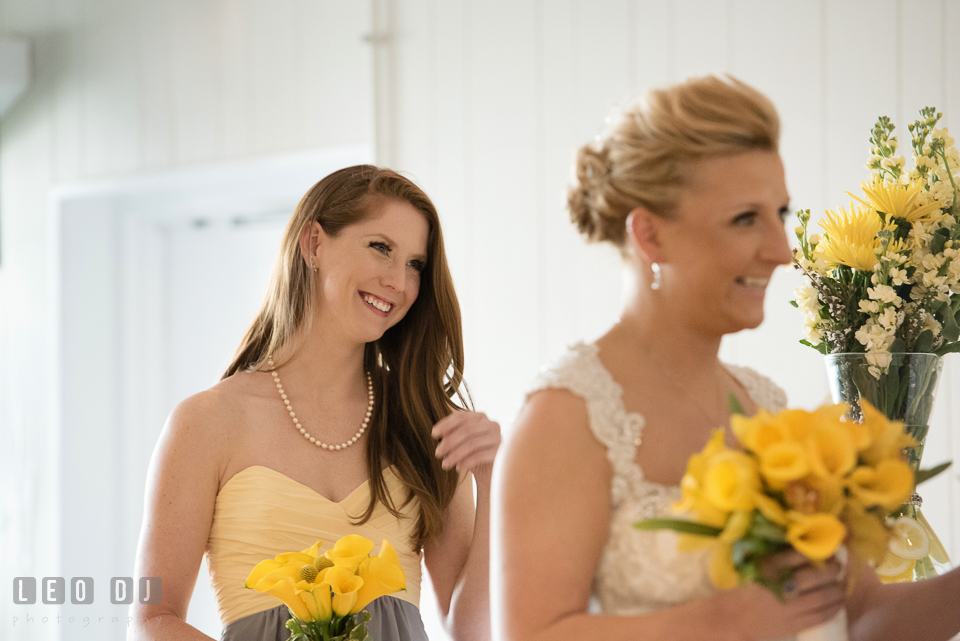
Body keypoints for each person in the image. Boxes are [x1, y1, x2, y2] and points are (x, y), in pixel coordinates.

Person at [495, 75, 960, 641]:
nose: (783, 251)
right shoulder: (568, 417)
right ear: (650, 235)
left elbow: (858, 614)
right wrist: (721, 623)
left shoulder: (764, 406)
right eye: (746, 218)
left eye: (781, 214)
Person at [129, 165, 499, 641]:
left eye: (415, 264)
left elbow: (472, 629)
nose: (399, 281)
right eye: (381, 247)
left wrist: (490, 481)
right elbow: (151, 621)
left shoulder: (426, 425)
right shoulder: (206, 422)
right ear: (314, 244)